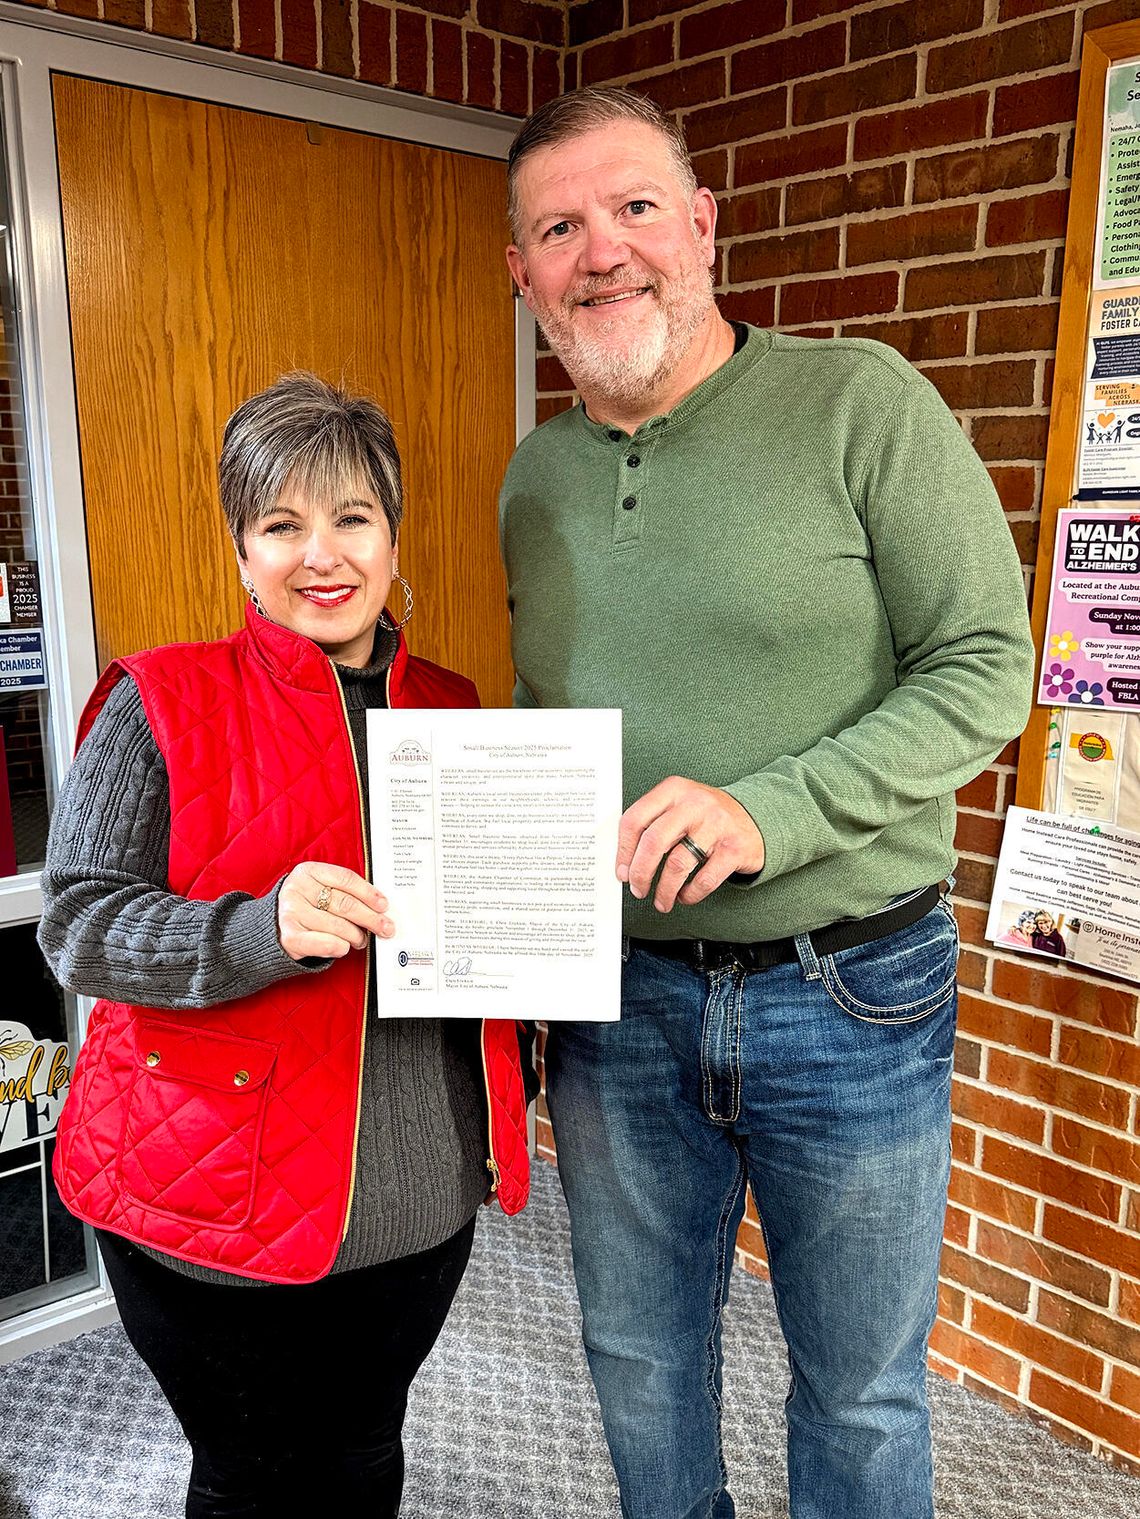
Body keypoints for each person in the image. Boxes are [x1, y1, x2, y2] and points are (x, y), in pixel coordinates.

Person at [499, 87, 1034, 1519]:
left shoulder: (860, 401)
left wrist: (769, 809)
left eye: (634, 208)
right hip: (619, 1003)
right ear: (523, 271)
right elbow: (558, 727)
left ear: (703, 225)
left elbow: (990, 667)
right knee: (637, 1358)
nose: (602, 251)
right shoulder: (534, 476)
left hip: (850, 986)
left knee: (859, 1390)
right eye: (559, 227)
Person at [40, 373, 533, 1519]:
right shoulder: (161, 701)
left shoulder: (457, 711)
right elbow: (77, 924)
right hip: (208, 1198)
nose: (323, 553)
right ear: (241, 547)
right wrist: (256, 930)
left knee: (362, 1458)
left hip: (417, 1196)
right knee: (250, 1478)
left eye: (353, 517)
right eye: (282, 524)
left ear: (394, 534)